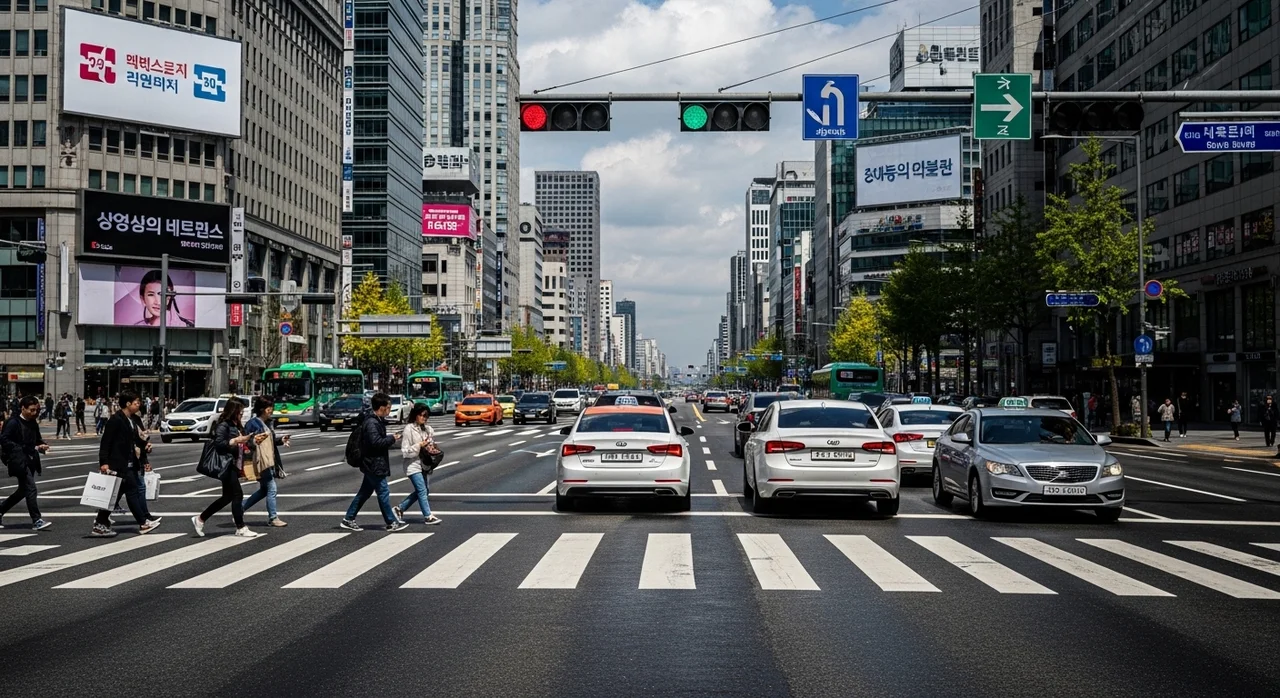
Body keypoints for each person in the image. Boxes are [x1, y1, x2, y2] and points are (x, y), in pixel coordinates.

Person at [92, 391, 161, 537]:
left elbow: (134, 439)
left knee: (117, 495)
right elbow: (106, 442)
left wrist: (145, 446)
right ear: (128, 404)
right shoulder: (116, 420)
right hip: (118, 463)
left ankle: (100, 523)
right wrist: (104, 462)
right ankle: (143, 522)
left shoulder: (130, 420)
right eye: (136, 403)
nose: (139, 405)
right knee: (129, 492)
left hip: (129, 463)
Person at [191, 399, 263, 538]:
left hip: (234, 463)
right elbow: (219, 444)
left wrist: (253, 440)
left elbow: (244, 442)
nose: (242, 413)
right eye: (240, 411)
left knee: (227, 496)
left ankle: (200, 519)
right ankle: (240, 527)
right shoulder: (223, 425)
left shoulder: (236, 425)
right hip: (227, 464)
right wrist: (235, 441)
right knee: (237, 495)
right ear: (233, 411)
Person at [340, 393, 407, 532]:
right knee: (383, 491)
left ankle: (349, 518)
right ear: (382, 407)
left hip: (373, 463)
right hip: (373, 464)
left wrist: (391, 439)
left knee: (364, 492)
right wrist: (392, 438)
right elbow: (376, 443)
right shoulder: (372, 423)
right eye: (388, 407)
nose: (389, 410)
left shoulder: (376, 421)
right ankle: (391, 522)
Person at [0, 396, 52, 531]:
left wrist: (42, 445)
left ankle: (1, 510)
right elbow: (4, 439)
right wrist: (24, 448)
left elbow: (37, 439)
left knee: (23, 490)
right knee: (31, 488)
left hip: (30, 459)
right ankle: (37, 520)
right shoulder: (13, 422)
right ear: (23, 408)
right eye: (32, 410)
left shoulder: (33, 422)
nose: (35, 413)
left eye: (37, 410)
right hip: (18, 460)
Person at [241, 396, 290, 528]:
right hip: (260, 460)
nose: (271, 410)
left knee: (264, 490)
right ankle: (273, 517)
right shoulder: (252, 423)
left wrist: (281, 440)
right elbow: (247, 442)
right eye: (269, 407)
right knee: (271, 488)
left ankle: (239, 508)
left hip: (268, 460)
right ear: (262, 409)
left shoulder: (267, 422)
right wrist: (254, 441)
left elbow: (270, 441)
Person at [392, 404, 442, 526]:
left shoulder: (428, 430)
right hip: (412, 465)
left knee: (424, 491)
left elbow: (431, 444)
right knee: (421, 490)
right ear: (415, 415)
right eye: (422, 415)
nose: (424, 418)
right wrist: (419, 445)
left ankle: (399, 509)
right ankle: (428, 516)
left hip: (424, 464)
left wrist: (432, 448)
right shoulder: (409, 429)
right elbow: (405, 451)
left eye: (426, 415)